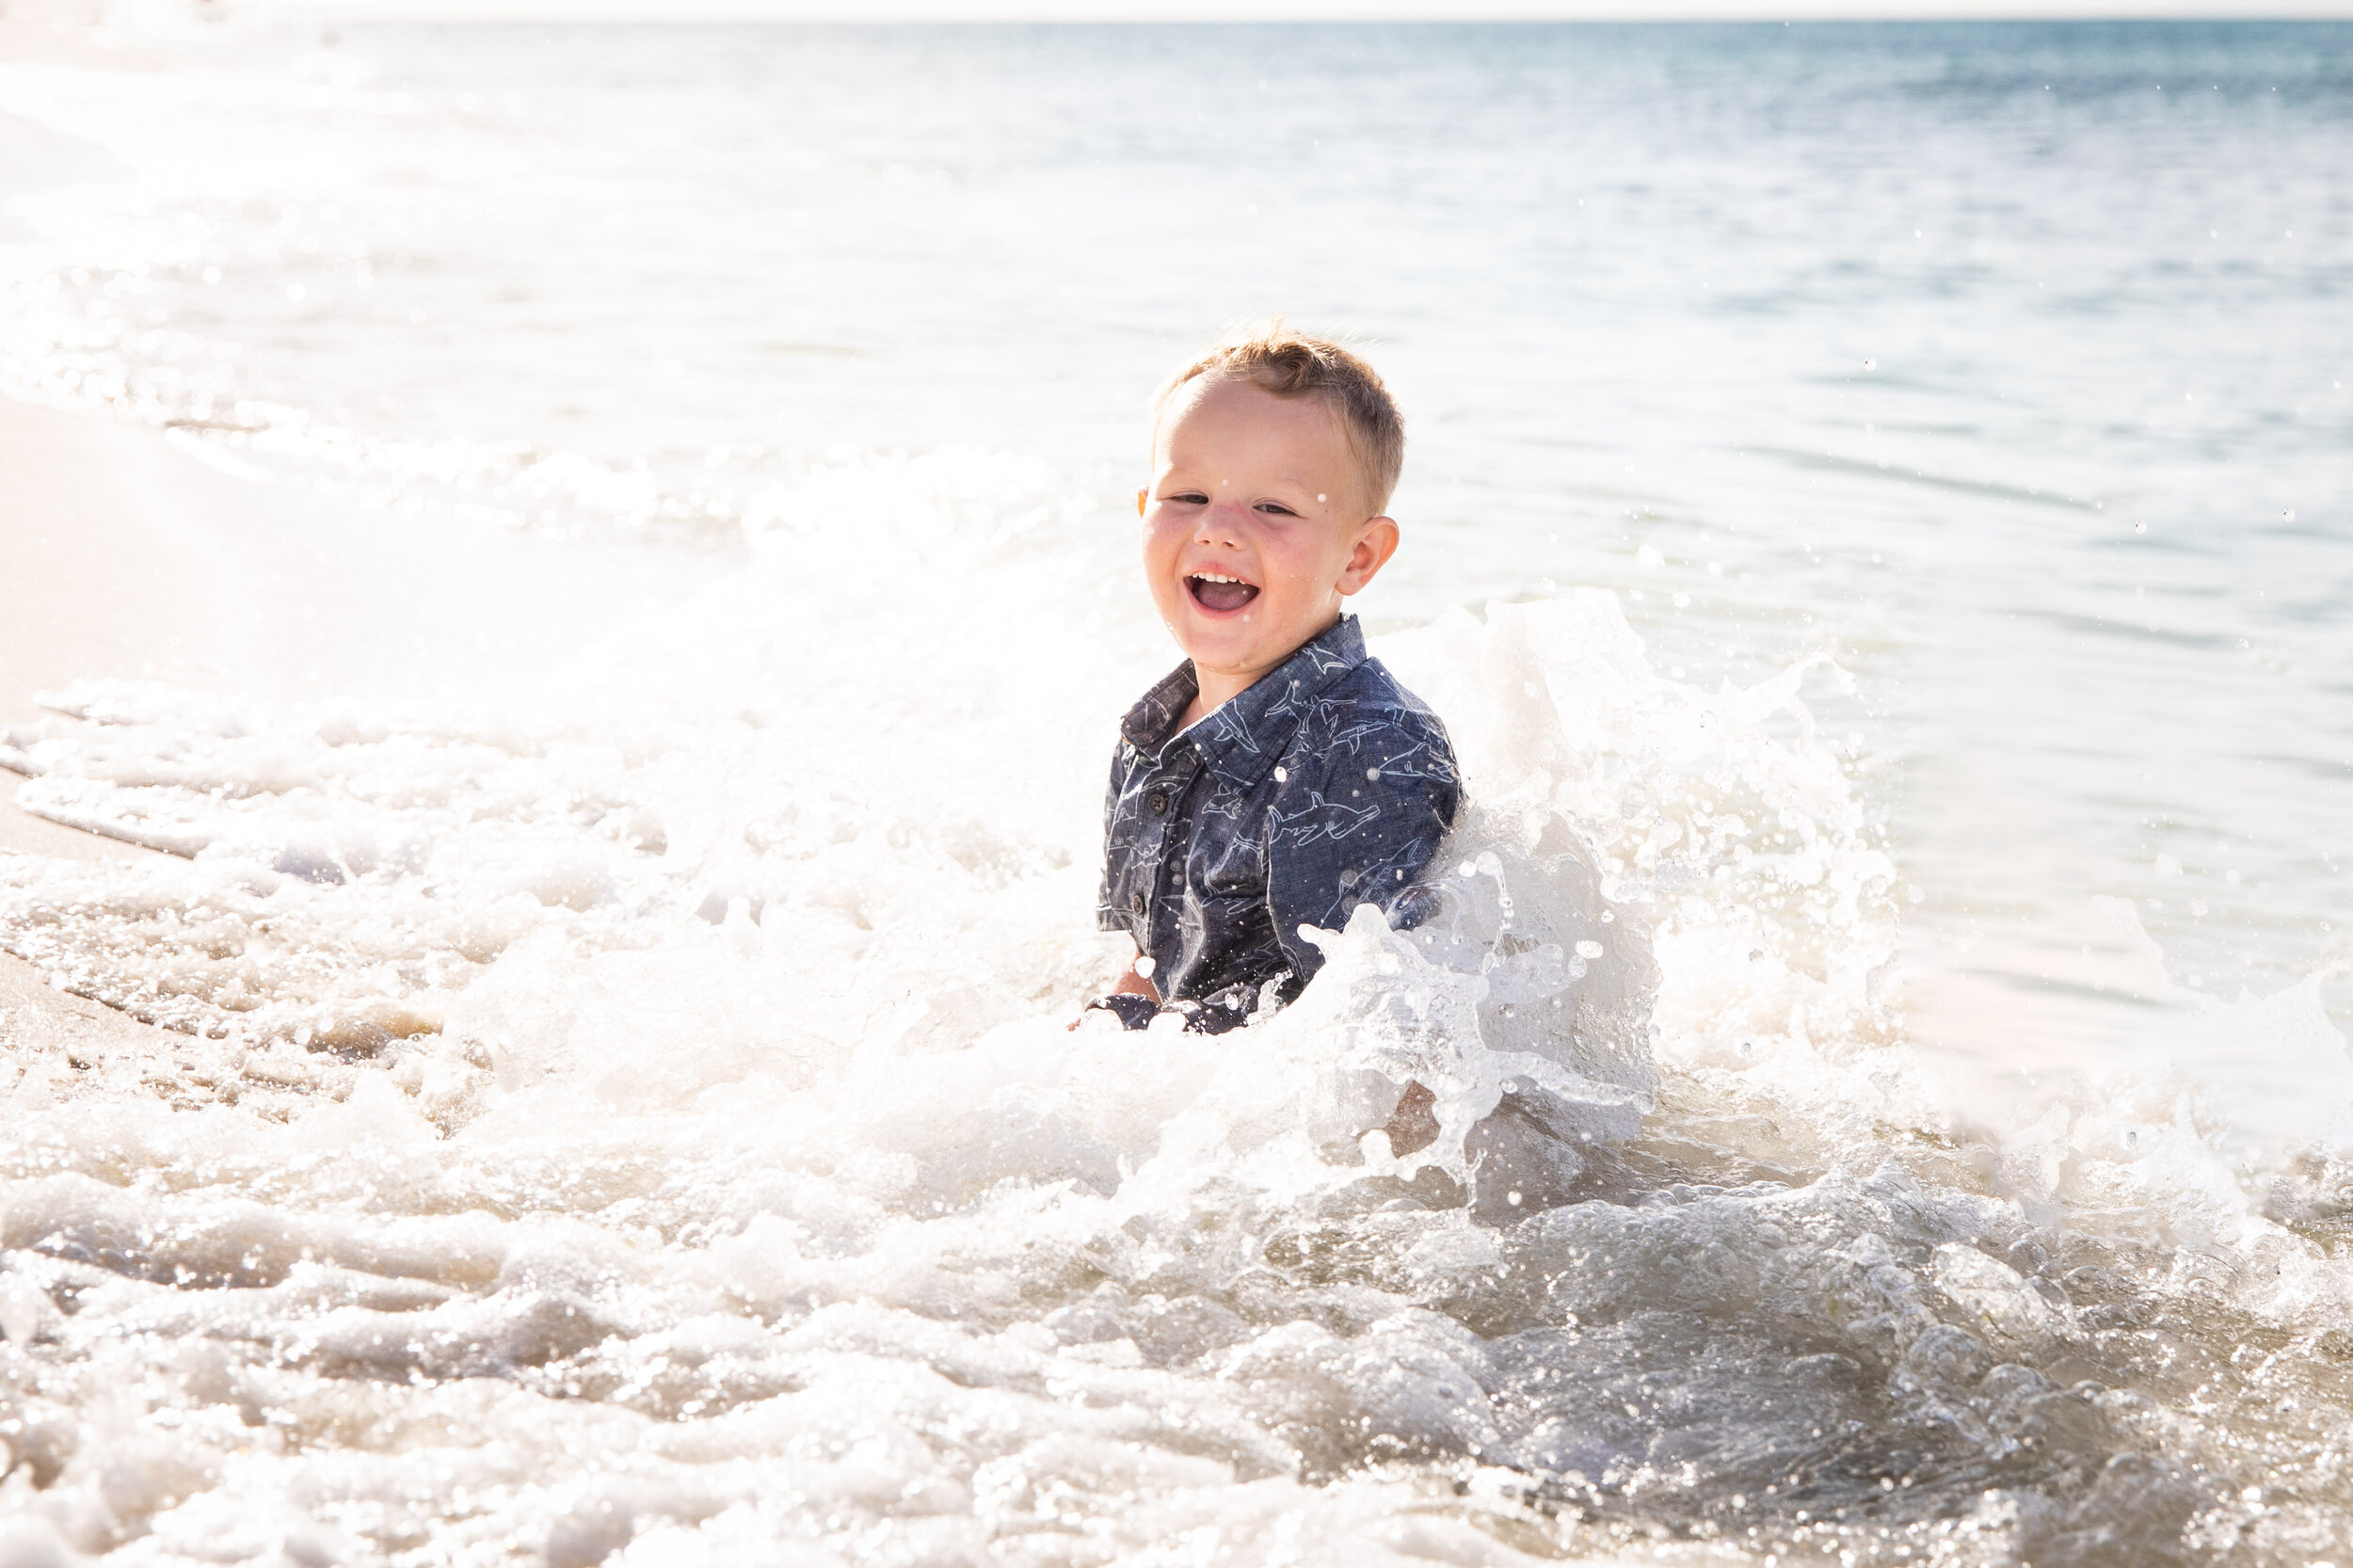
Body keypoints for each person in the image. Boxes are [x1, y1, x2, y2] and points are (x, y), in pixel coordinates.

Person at [1083, 321, 1461, 1061]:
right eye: (1187, 495)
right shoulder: (1151, 739)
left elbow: (1391, 1040)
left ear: (1357, 556)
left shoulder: (1367, 754)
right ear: (1142, 513)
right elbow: (1160, 963)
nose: (1218, 530)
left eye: (1273, 507)